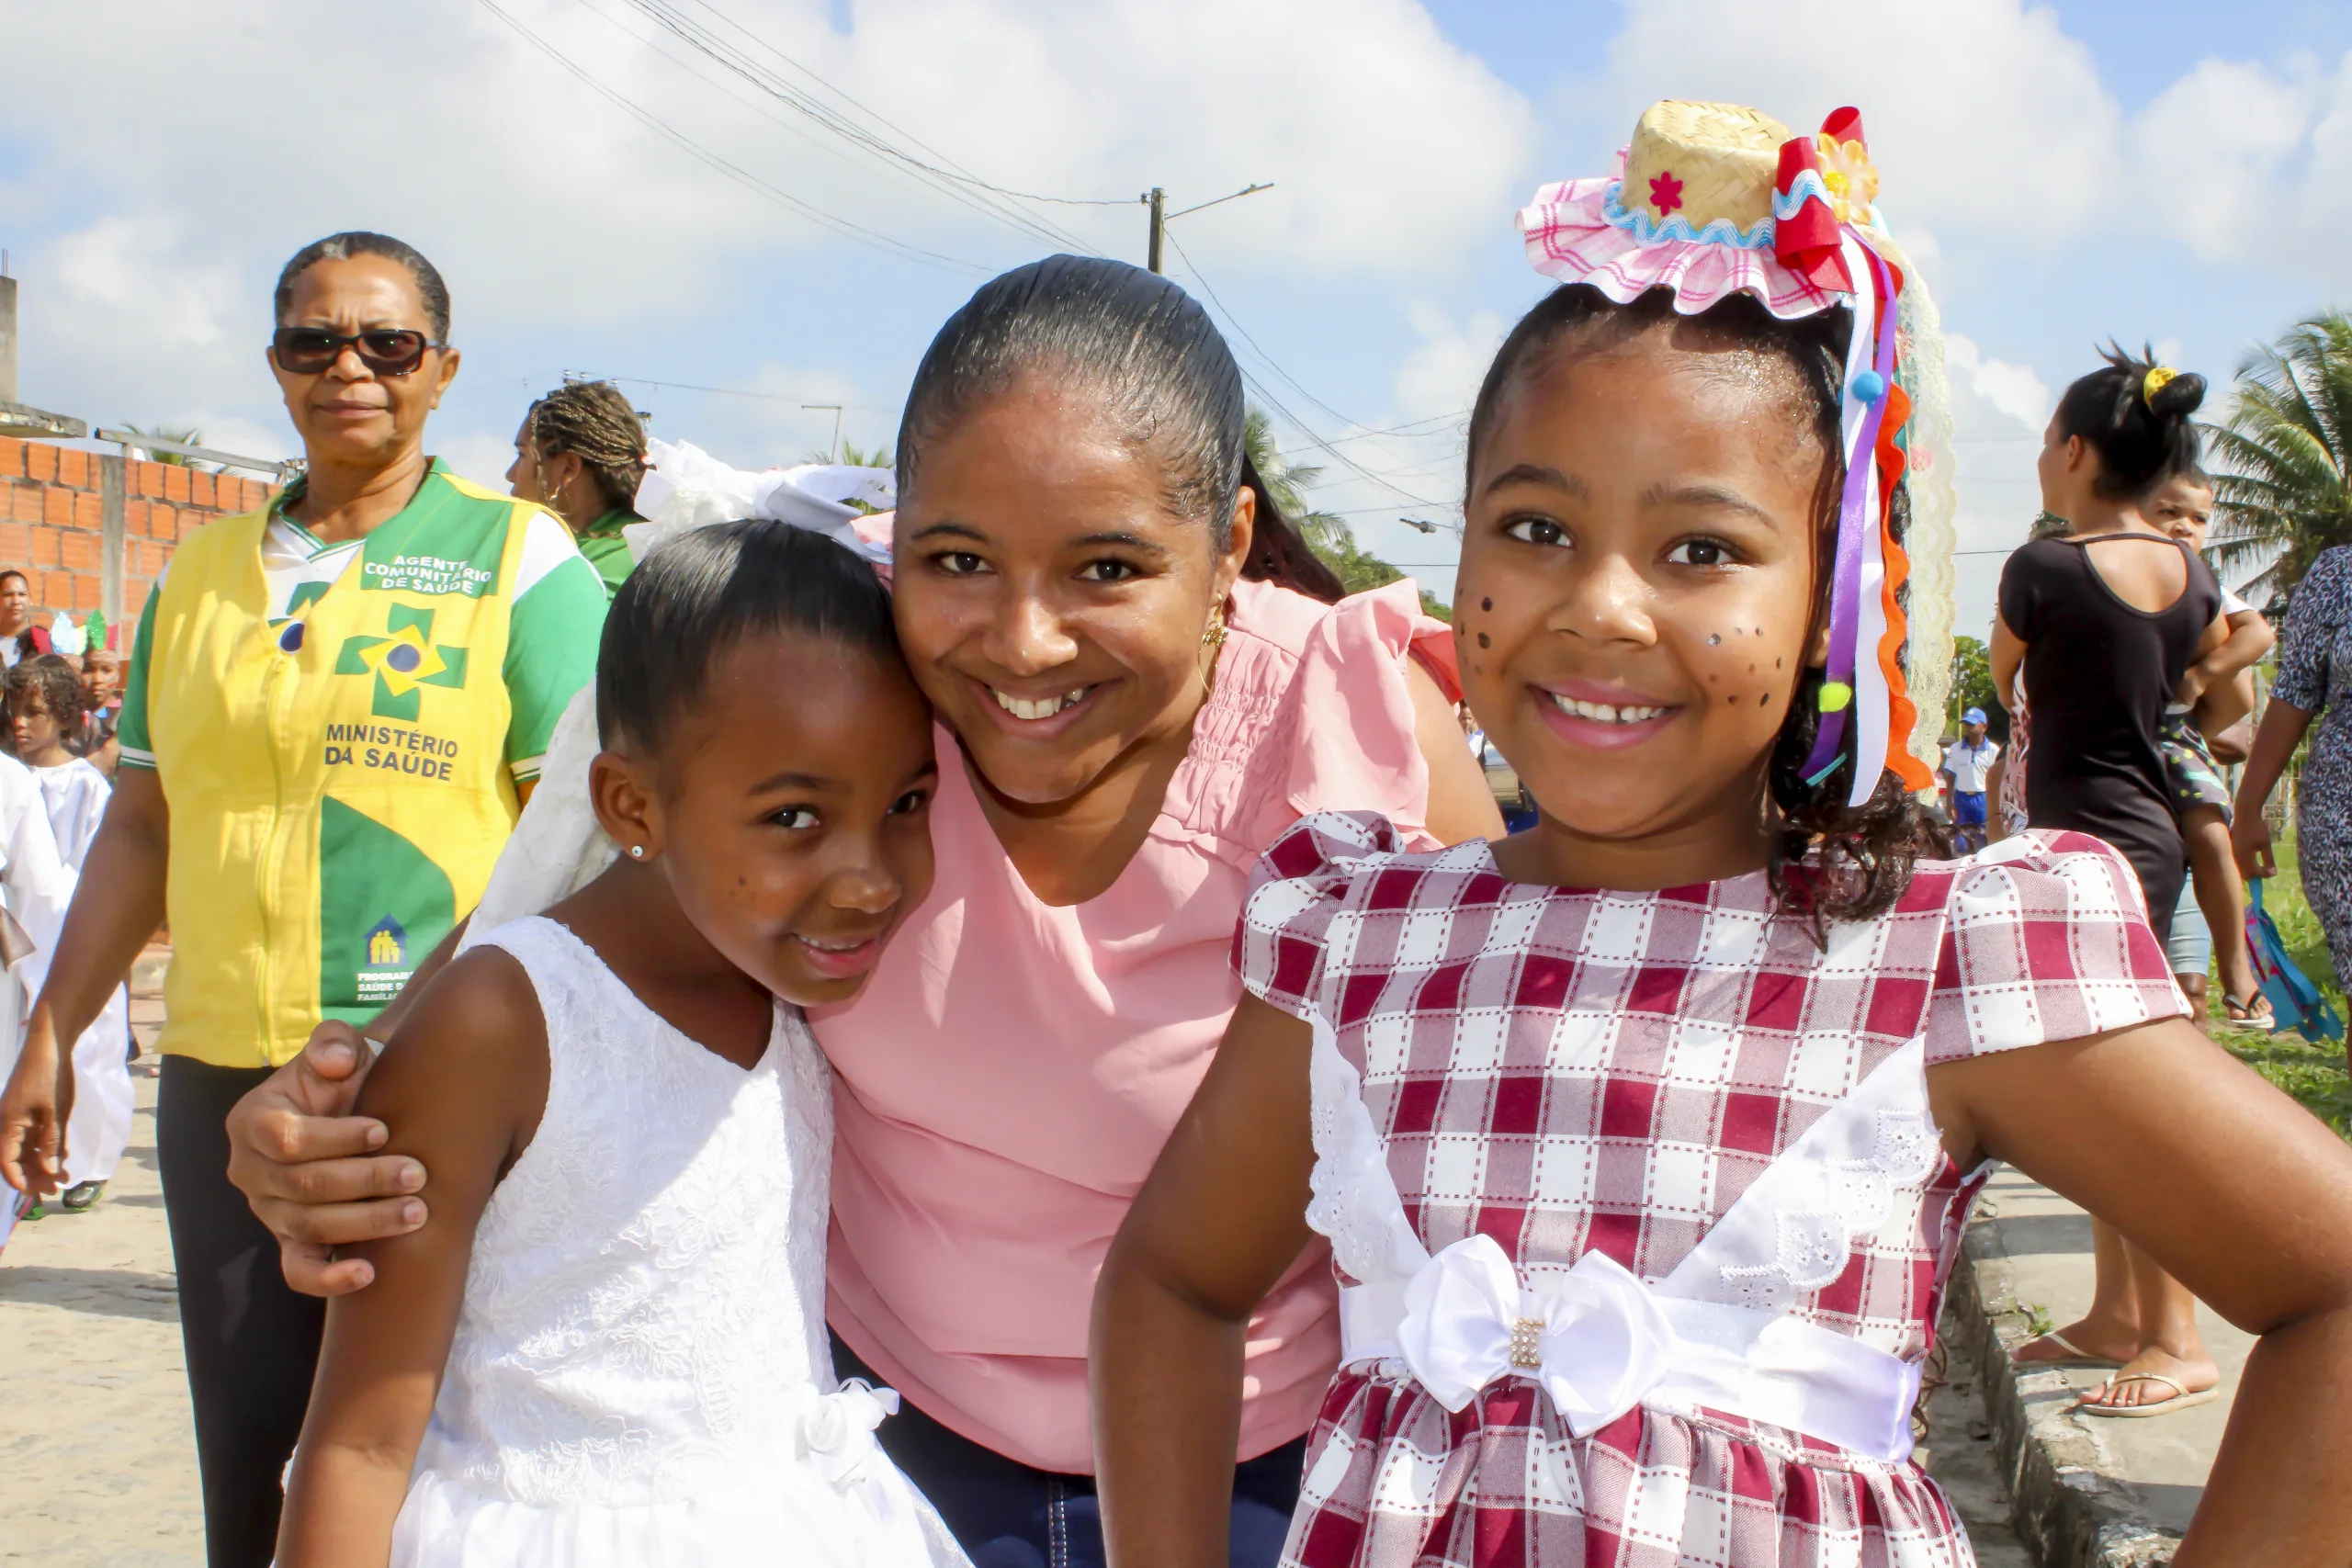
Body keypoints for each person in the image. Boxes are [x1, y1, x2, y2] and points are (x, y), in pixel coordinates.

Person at [1091, 102, 2352, 1566]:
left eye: (1703, 549)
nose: (1600, 605)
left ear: (1829, 597)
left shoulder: (1941, 961)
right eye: (1535, 528)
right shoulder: (1360, 937)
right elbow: (1170, 1283)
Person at [216, 254, 1501, 1568]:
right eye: (958, 558)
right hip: (888, 1467)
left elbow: (1534, 1081)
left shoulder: (1352, 735)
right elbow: (560, 900)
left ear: (1227, 545)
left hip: (1259, 1476)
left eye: (1107, 567)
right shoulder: (824, 661)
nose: (1024, 640)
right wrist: (331, 1097)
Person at [0, 230, 608, 1568]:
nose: (350, 368)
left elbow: (587, 838)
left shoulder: (524, 563)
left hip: (440, 1078)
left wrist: (455, 1043)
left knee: (446, 1480)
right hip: (225, 1084)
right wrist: (52, 1033)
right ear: (275, 365)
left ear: (441, 369)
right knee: (255, 1481)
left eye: (387, 343)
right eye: (312, 341)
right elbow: (144, 819)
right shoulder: (198, 579)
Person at [277, 521, 964, 1568]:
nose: (870, 879)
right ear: (630, 804)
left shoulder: (788, 990)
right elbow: (362, 1443)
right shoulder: (502, 1024)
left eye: (906, 803)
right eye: (793, 818)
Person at [1995, 350, 2233, 1415]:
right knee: (2107, 1092)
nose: (2042, 457)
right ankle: (2113, 1313)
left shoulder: (2042, 569)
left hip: (2081, 848)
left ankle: (2176, 1337)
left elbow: (2002, 677)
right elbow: (2194, 678)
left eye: (2049, 439)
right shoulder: (2196, 575)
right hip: (2149, 841)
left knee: (2128, 1105)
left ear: (2079, 452)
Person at [2145, 468, 2274, 1026]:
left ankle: (2236, 970)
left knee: (2210, 836)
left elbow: (2258, 633)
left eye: (2198, 518)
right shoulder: (2111, 572)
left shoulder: (2200, 581)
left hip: (2173, 730)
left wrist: (2202, 676)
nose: (2183, 526)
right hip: (2115, 735)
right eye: (2169, 511)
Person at [5, 655, 129, 1212]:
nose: (21, 724)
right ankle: (26, 1165)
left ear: (62, 714)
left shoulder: (86, 787)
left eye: (34, 712)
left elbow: (93, 869)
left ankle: (89, 1163)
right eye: (14, 710)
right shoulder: (11, 777)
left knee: (89, 1051)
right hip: (19, 939)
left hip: (76, 933)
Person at [504, 378, 647, 601]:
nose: (510, 474)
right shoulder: (632, 542)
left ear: (568, 468)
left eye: (522, 455)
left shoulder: (604, 567)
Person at [1939, 706, 1998, 852]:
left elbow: (1998, 780)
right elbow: (1951, 776)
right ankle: (1962, 861)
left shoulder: (1993, 750)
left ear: (1983, 727)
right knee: (1961, 835)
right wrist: (1949, 803)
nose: (1968, 728)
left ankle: (1981, 863)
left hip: (1983, 798)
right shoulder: (1956, 748)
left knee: (1983, 835)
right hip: (1962, 798)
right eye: (1966, 724)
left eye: (1972, 724)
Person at [74, 636, 124, 776]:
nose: (97, 679)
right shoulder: (68, 714)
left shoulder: (127, 717)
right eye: (89, 670)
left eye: (106, 670)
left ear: (117, 675)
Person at [0, 570, 52, 668]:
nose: (16, 601)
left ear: (30, 600)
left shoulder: (43, 640)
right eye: (8, 595)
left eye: (22, 594)